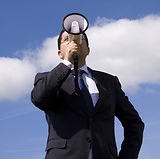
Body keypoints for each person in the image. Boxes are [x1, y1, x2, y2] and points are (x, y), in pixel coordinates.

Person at [31, 28, 144, 159]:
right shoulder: (46, 79)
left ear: (88, 50)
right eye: (66, 39)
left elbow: (134, 123)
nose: (73, 41)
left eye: (80, 38)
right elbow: (39, 98)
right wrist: (67, 62)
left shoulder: (109, 82)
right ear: (59, 53)